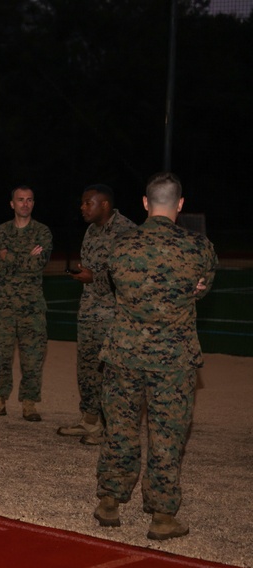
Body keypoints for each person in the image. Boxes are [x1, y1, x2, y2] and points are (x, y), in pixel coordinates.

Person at [93, 172, 216, 540]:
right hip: (173, 360)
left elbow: (105, 285)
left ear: (145, 203)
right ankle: (162, 516)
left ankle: (110, 501)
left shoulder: (119, 244)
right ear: (180, 204)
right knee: (167, 435)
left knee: (119, 429)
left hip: (123, 354)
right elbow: (201, 289)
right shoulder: (199, 247)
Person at [56, 184, 134, 444]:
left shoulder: (126, 231)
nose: (82, 207)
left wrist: (94, 277)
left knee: (111, 374)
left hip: (114, 316)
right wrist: (85, 275)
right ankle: (90, 421)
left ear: (105, 205)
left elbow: (129, 278)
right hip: (90, 312)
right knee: (87, 370)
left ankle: (112, 429)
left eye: (88, 202)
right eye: (82, 202)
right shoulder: (91, 230)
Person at [0, 186, 53, 421]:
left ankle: (29, 404)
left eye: (29, 200)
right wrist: (26, 257)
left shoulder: (42, 233)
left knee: (33, 356)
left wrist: (7, 256)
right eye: (20, 200)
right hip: (3, 306)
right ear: (12, 204)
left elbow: (37, 265)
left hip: (32, 306)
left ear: (33, 203)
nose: (25, 204)